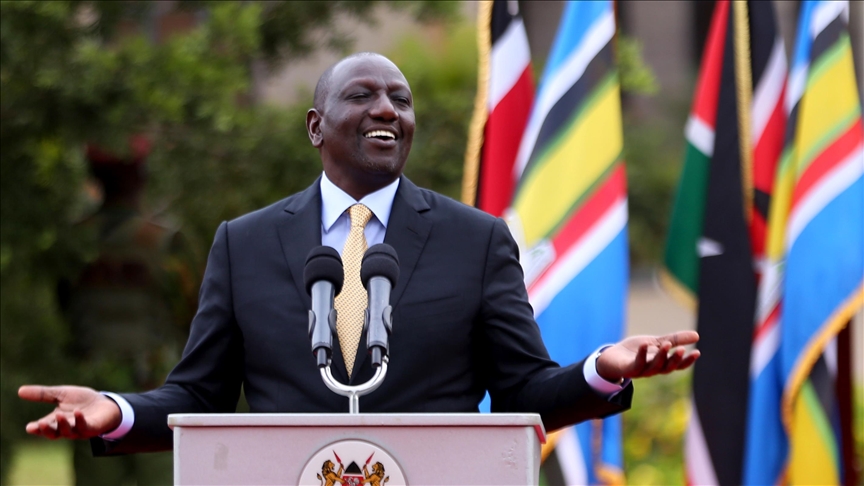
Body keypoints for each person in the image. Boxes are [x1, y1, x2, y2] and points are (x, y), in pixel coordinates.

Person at [18, 53, 700, 455]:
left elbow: (524, 392)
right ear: (316, 126)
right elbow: (199, 394)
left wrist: (601, 370)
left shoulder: (477, 240)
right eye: (362, 95)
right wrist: (117, 410)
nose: (388, 110)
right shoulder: (244, 243)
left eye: (401, 100)